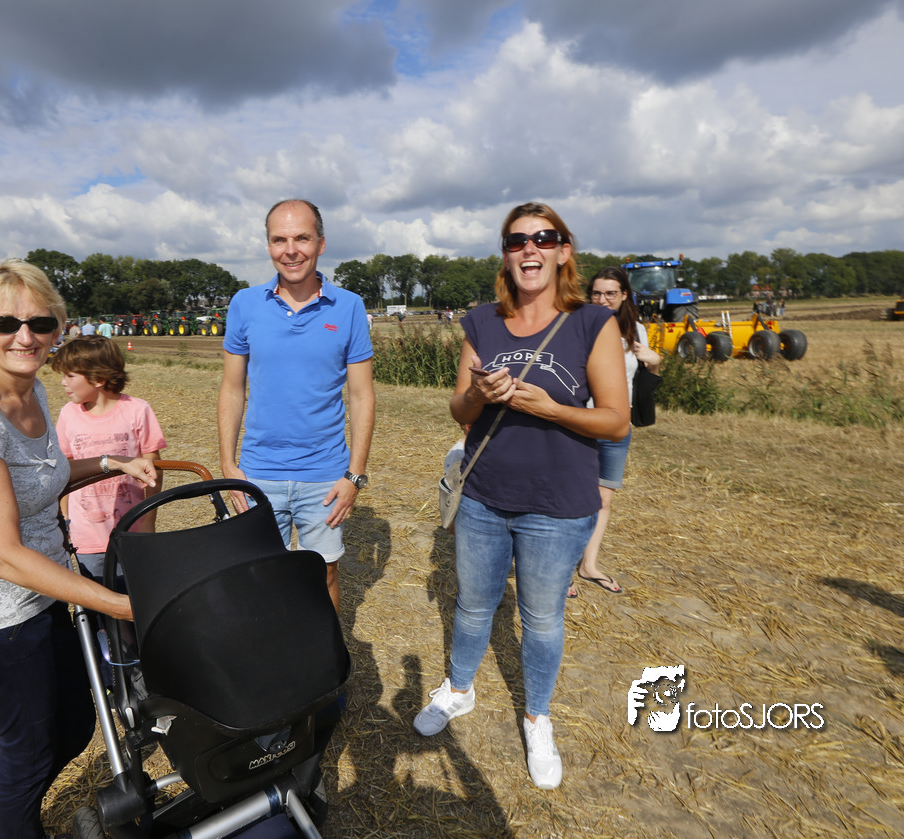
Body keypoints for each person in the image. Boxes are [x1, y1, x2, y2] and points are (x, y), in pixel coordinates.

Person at [0, 259, 157, 839]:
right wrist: (121, 605)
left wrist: (110, 462)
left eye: (40, 322)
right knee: (27, 757)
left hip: (48, 597)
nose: (24, 336)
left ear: (59, 326)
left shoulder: (32, 392)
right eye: (5, 323)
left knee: (75, 727)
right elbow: (2, 554)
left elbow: (40, 480)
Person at [412, 202, 629, 790]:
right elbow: (458, 407)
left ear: (563, 251)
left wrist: (552, 408)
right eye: (516, 241)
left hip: (557, 504)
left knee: (541, 618)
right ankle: (459, 689)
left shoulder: (592, 323)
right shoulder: (482, 322)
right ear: (506, 255)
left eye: (543, 238)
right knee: (472, 605)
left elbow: (616, 420)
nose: (529, 249)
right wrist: (479, 395)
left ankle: (537, 718)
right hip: (483, 496)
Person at [218, 198, 375, 613]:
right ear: (269, 245)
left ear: (321, 243)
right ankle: (270, 653)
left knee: (322, 576)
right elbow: (232, 389)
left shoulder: (349, 306)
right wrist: (229, 465)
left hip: (325, 478)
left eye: (302, 238)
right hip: (257, 475)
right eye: (279, 240)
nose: (291, 250)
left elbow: (362, 396)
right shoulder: (244, 303)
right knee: (258, 578)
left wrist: (354, 475)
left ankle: (323, 654)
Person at [567, 266, 661, 598]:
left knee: (603, 498)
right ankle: (561, 569)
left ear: (624, 295)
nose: (602, 299)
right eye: (596, 293)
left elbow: (641, 384)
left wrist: (654, 362)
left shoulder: (636, 330)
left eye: (610, 293)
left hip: (618, 425)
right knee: (572, 497)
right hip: (582, 421)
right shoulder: (577, 326)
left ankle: (588, 565)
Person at [52, 336, 165, 578]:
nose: (63, 383)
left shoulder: (137, 410)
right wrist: (65, 518)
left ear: (98, 379)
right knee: (97, 597)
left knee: (136, 595)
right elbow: (64, 471)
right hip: (86, 536)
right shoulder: (68, 414)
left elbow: (155, 470)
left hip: (132, 532)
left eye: (70, 376)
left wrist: (148, 522)